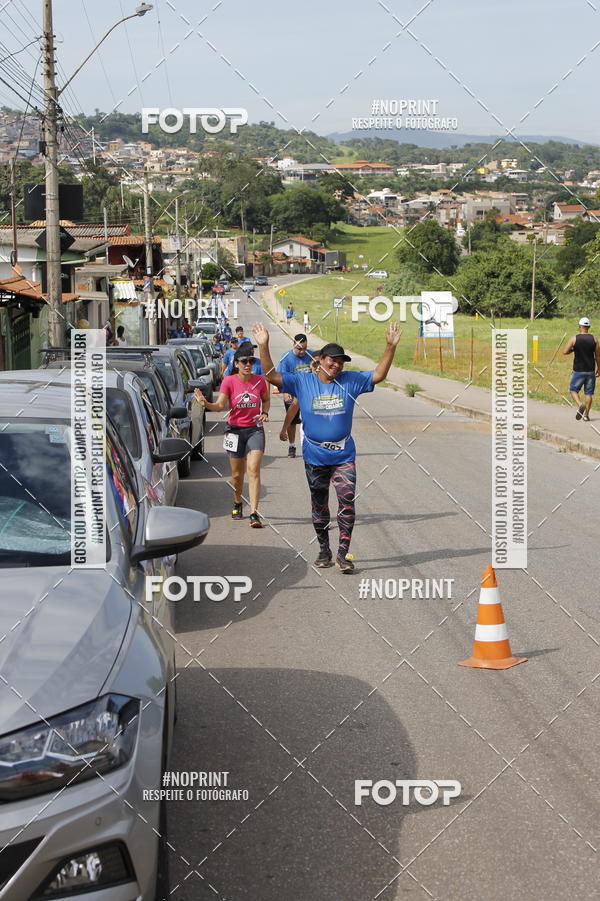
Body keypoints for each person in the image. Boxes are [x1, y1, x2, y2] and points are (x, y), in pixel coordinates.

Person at [253, 321, 401, 573]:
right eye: (332, 360)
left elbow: (379, 375)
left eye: (341, 362)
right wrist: (264, 346)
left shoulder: (350, 381)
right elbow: (271, 376)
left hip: (343, 455)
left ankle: (343, 554)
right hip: (315, 456)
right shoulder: (303, 382)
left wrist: (390, 347)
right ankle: (324, 549)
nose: (336, 365)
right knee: (319, 504)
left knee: (346, 501)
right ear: (320, 359)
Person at [194, 345, 270, 527]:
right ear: (236, 364)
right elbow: (220, 406)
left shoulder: (259, 380)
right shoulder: (228, 381)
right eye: (244, 361)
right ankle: (237, 501)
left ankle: (254, 513)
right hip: (235, 431)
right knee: (237, 475)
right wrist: (205, 404)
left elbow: (266, 400)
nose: (248, 365)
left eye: (251, 361)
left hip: (255, 430)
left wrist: (265, 412)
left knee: (253, 470)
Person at [276, 334, 313, 458]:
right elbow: (281, 377)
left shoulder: (311, 356)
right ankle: (292, 445)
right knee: (292, 420)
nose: (302, 351)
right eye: (299, 349)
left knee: (311, 419)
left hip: (309, 393)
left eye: (304, 348)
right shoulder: (286, 358)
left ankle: (311, 444)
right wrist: (285, 392)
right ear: (293, 345)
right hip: (292, 392)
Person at [563, 317, 600, 421]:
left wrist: (573, 349)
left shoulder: (574, 338)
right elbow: (598, 356)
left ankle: (580, 404)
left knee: (573, 390)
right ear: (589, 327)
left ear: (579, 326)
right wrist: (599, 369)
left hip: (578, 370)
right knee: (589, 393)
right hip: (590, 370)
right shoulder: (594, 339)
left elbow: (565, 351)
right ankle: (586, 416)